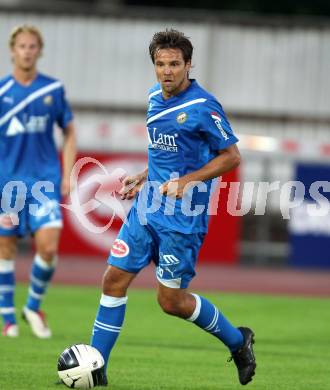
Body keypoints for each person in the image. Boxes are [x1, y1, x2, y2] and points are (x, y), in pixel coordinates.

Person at [90, 29, 256, 386]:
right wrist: (142, 175)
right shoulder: (153, 97)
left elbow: (231, 157)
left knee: (171, 302)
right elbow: (168, 153)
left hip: (182, 218)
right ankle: (95, 368)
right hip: (147, 208)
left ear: (188, 64)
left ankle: (238, 340)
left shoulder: (203, 106)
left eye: (175, 64)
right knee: (113, 279)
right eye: (161, 64)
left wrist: (186, 182)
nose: (167, 71)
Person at [0, 25, 76, 338]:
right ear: (12, 50)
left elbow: (69, 131)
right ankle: (8, 319)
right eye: (22, 46)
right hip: (8, 184)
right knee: (6, 248)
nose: (27, 51)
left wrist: (68, 173)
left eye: (33, 46)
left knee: (48, 246)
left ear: (39, 50)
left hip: (43, 182)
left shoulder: (52, 90)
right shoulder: (2, 91)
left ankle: (32, 306)